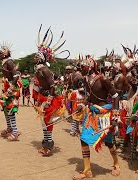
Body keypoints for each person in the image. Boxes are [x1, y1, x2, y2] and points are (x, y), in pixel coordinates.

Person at [72, 55, 121, 179]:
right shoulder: (86, 80)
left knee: (109, 143)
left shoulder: (103, 79)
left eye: (82, 66)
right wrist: (82, 105)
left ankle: (116, 163)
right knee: (83, 139)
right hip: (92, 114)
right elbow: (89, 97)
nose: (80, 69)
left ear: (90, 67)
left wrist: (115, 116)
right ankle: (87, 170)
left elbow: (115, 96)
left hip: (104, 115)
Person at [32, 25, 67, 155]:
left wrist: (48, 100)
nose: (35, 57)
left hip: (49, 98)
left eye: (37, 55)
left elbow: (53, 86)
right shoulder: (38, 70)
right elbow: (40, 85)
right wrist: (37, 99)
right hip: (43, 97)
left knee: (47, 121)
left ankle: (48, 145)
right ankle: (47, 143)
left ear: (42, 58)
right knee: (44, 122)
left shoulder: (45, 70)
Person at [0, 42, 22, 141]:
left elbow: (16, 76)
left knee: (11, 110)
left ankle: (15, 132)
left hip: (13, 88)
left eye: (0, 52)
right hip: (7, 87)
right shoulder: (4, 62)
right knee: (5, 109)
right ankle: (10, 128)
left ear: (5, 54)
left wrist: (10, 88)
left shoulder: (9, 62)